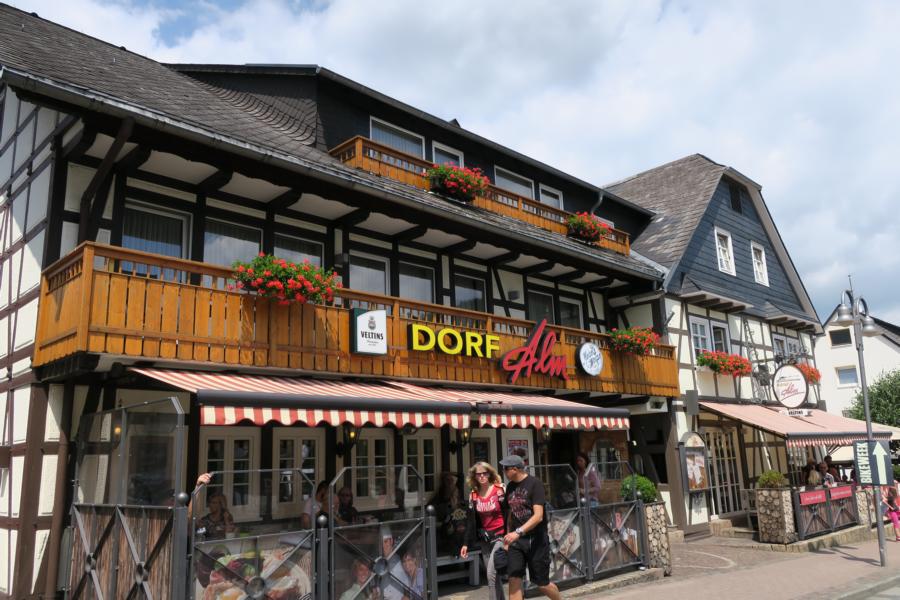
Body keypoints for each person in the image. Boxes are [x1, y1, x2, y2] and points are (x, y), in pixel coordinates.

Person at [499, 454, 561, 600]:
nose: (503, 471)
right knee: (514, 578)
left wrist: (518, 532)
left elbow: (538, 516)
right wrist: (507, 537)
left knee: (542, 584)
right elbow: (510, 514)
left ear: (515, 469)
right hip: (516, 542)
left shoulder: (535, 484)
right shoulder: (510, 486)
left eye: (505, 468)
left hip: (536, 540)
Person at [460, 462, 507, 600]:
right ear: (474, 477)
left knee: (491, 574)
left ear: (490, 474)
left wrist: (510, 534)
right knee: (494, 577)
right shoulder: (473, 495)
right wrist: (465, 544)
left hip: (500, 536)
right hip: (485, 539)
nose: (482, 476)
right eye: (478, 474)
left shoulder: (499, 490)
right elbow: (470, 521)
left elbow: (509, 513)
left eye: (484, 473)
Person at [428, 472, 465, 554]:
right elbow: (430, 507)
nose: (450, 482)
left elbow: (461, 476)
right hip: (445, 529)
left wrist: (449, 473)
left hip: (457, 528)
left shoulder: (456, 491)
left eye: (451, 480)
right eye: (448, 481)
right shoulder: (441, 496)